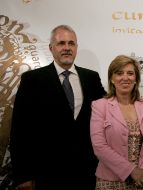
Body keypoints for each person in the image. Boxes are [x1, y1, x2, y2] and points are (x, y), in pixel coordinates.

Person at [9, 25, 106, 190]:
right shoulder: (32, 79)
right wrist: (23, 175)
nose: (67, 48)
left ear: (76, 47)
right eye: (61, 43)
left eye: (71, 43)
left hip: (86, 172)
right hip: (46, 173)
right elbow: (20, 130)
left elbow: (109, 109)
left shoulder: (91, 77)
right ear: (51, 48)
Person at [90, 55, 143, 189]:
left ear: (136, 79)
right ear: (112, 79)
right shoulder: (100, 105)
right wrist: (132, 171)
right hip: (110, 180)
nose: (125, 78)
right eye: (119, 73)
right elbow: (99, 146)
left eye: (130, 73)